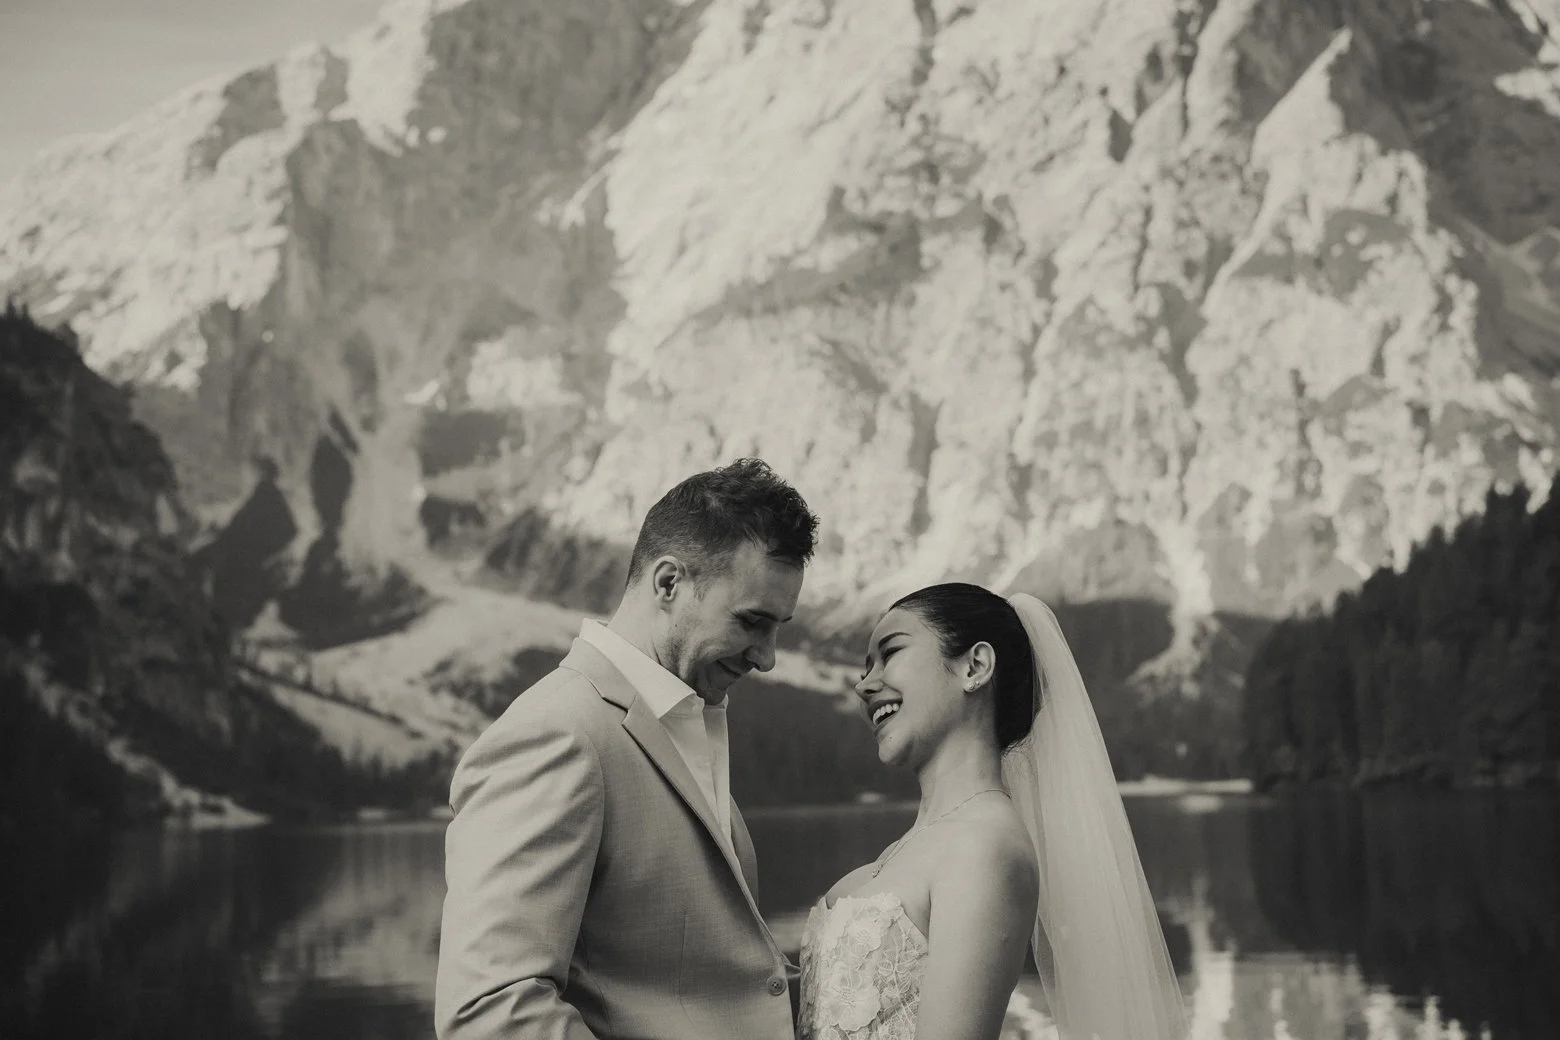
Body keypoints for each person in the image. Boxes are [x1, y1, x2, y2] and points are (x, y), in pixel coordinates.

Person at [435, 458, 820, 1040]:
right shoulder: (557, 733)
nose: (766, 657)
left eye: (778, 628)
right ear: (668, 583)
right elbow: (489, 1011)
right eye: (751, 622)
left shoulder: (685, 721)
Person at [798, 583, 1187, 1040]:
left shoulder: (985, 848)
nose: (864, 683)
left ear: (974, 667)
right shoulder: (919, 848)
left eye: (890, 653)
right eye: (866, 666)